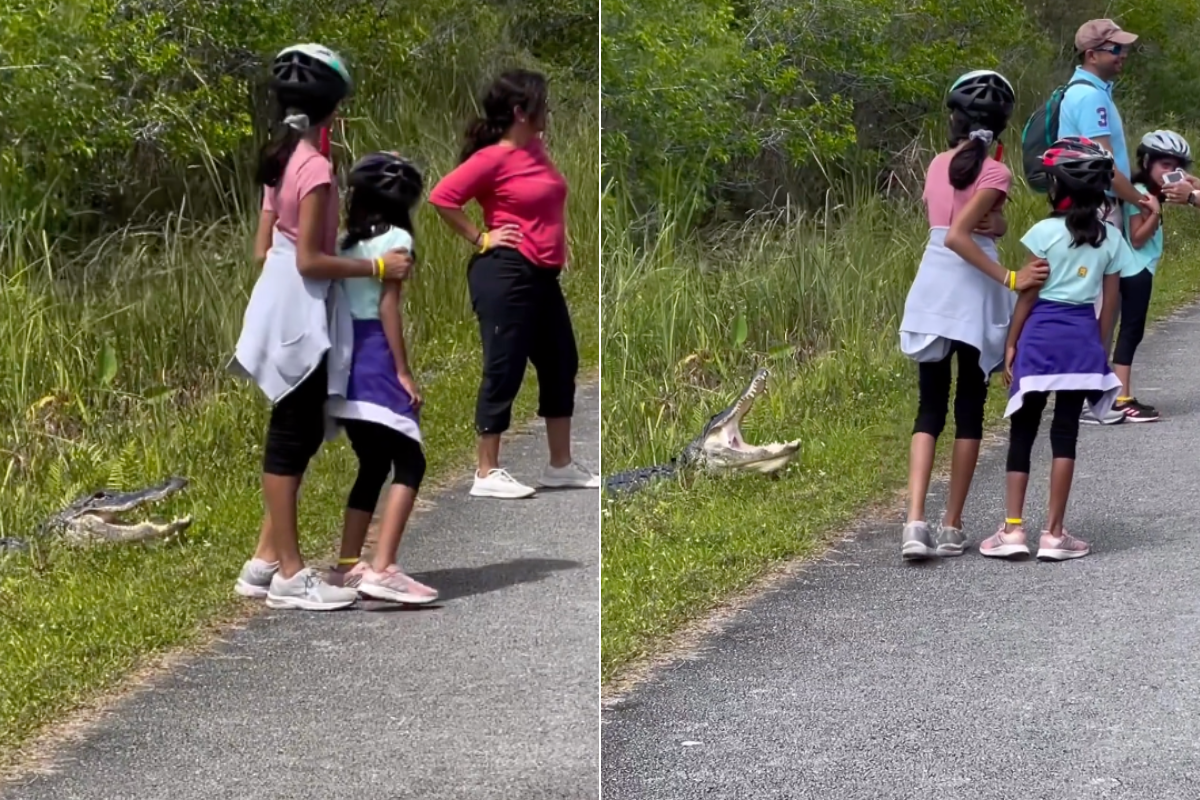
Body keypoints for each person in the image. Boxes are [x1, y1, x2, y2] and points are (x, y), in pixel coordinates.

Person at [229, 44, 413, 610]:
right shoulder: (313, 167)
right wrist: (375, 266)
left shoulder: (279, 156)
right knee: (290, 436)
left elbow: (266, 248)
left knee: (303, 430)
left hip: (276, 303)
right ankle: (289, 573)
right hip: (302, 313)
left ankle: (263, 562)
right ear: (333, 106)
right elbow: (311, 259)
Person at [898, 70, 1049, 560]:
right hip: (975, 295)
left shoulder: (938, 163)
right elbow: (963, 234)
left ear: (957, 118)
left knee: (929, 408)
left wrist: (999, 221)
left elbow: (955, 223)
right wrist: (1010, 278)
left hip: (933, 290)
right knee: (967, 411)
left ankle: (915, 522)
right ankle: (951, 525)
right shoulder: (996, 171)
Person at [428, 69, 599, 499]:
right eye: (542, 103)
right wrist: (480, 237)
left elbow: (544, 204)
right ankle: (486, 471)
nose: (549, 111)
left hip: (543, 273)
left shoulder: (535, 149)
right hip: (505, 270)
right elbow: (442, 197)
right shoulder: (493, 157)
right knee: (504, 365)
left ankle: (560, 464)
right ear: (521, 111)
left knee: (561, 362)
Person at [982, 137, 1136, 561]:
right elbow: (1110, 305)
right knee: (1065, 434)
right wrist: (1098, 350)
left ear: (1059, 189)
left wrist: (1011, 343)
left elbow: (1028, 296)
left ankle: (1013, 531)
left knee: (1022, 434)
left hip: (1039, 338)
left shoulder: (1042, 233)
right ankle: (1054, 534)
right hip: (1081, 341)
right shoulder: (1111, 242)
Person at [322, 151, 439, 604]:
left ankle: (349, 566)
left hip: (343, 358)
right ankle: (384, 567)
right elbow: (388, 306)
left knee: (372, 463)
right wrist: (403, 372)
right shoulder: (396, 240)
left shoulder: (343, 245)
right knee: (411, 461)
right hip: (373, 355)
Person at [1057, 18, 1158, 424]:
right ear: (1092, 54)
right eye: (1115, 49)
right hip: (1097, 210)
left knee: (1107, 299)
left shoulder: (1086, 93)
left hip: (1090, 208)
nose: (1123, 55)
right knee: (1105, 301)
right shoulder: (1092, 99)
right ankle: (1100, 397)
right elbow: (1104, 165)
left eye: (1123, 48)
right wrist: (1142, 200)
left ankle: (1103, 392)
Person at [1111, 130, 1192, 422]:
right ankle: (1121, 397)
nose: (1170, 172)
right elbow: (1137, 238)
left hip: (1141, 268)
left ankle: (1119, 394)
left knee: (1133, 330)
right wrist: (1155, 214)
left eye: (1176, 167)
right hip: (1136, 268)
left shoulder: (1151, 191)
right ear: (1147, 161)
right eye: (1165, 166)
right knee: (1131, 331)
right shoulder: (1140, 193)